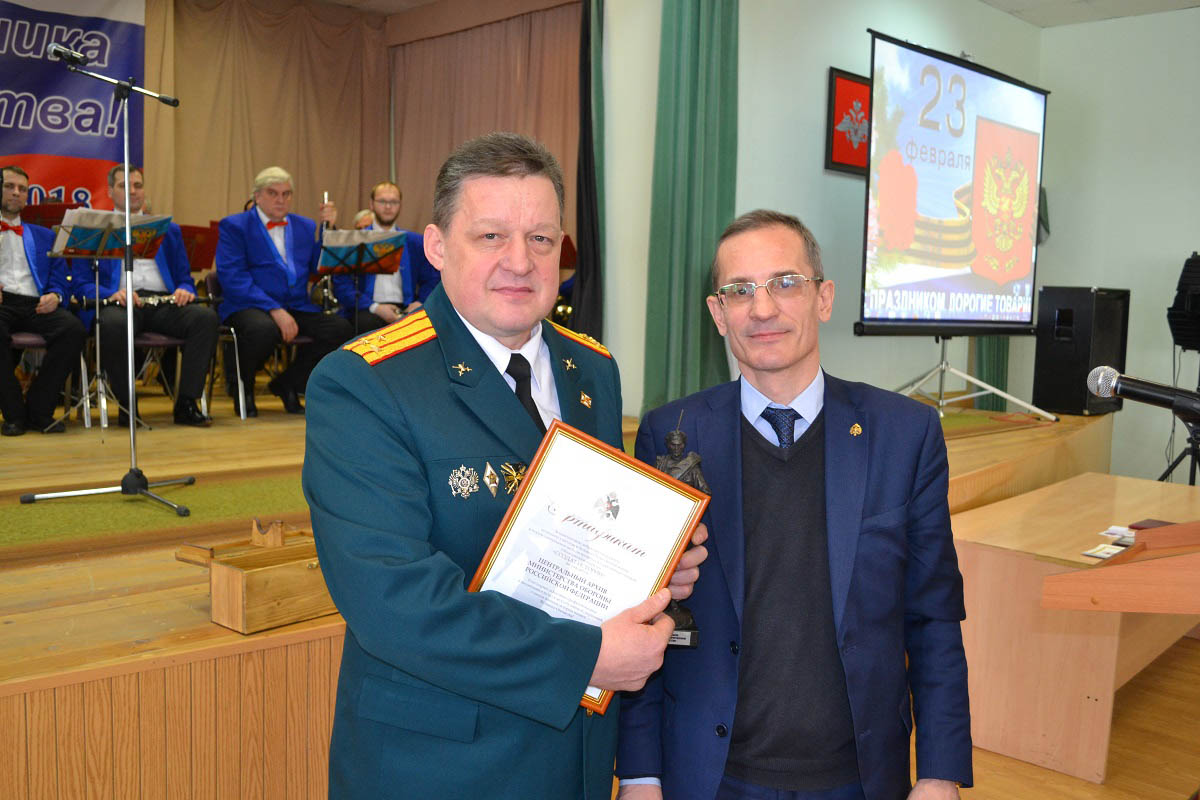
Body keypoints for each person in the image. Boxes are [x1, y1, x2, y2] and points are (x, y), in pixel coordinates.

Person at [302, 132, 707, 799]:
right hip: (440, 766)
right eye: (491, 236)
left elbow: (588, 536)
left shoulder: (592, 371)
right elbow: (394, 600)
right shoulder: (365, 383)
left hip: (574, 759)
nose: (520, 262)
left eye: (541, 239)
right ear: (437, 246)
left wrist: (656, 568)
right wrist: (586, 658)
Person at [617, 210, 972, 800]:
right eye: (739, 291)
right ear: (718, 314)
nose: (762, 309)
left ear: (823, 298)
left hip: (858, 777)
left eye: (785, 283)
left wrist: (939, 773)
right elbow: (647, 611)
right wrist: (639, 775)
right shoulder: (671, 434)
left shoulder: (905, 435)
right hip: (709, 776)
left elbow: (933, 616)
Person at [71, 165, 219, 427]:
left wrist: (184, 289)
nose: (133, 191)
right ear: (110, 191)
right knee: (113, 323)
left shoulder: (169, 229)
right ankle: (127, 406)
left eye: (138, 185)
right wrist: (111, 294)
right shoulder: (94, 229)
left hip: (162, 302)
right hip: (119, 302)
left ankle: (186, 403)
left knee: (205, 319)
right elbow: (81, 283)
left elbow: (184, 277)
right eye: (124, 186)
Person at [214, 166, 352, 416]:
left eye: (286, 194)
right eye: (273, 193)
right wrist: (274, 309)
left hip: (296, 304)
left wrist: (329, 229)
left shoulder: (304, 225)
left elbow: (319, 267)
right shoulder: (235, 226)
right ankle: (244, 387)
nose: (281, 199)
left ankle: (288, 383)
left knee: (339, 328)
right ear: (257, 196)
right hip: (249, 304)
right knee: (262, 330)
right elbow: (233, 277)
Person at [0, 165, 86, 436]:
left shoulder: (45, 235)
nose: (16, 192)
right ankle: (14, 414)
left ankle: (39, 409)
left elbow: (61, 279)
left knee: (73, 329)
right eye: (9, 186)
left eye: (22, 189)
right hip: (2, 303)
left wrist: (56, 296)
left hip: (35, 303)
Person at [331, 180, 440, 333]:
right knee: (366, 325)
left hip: (406, 307)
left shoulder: (414, 242)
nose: (388, 207)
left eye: (394, 202)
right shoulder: (355, 240)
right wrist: (375, 307)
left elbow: (432, 279)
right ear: (371, 204)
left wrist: (421, 302)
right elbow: (342, 285)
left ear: (400, 205)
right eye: (382, 201)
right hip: (368, 309)